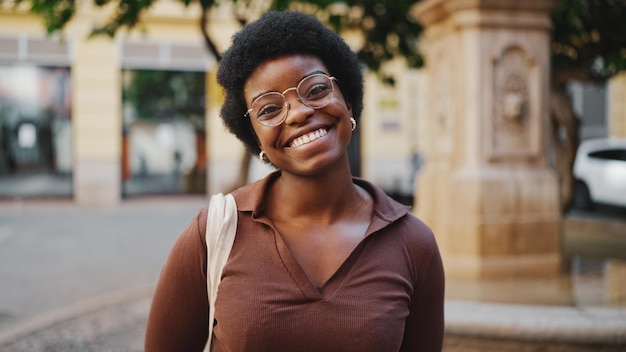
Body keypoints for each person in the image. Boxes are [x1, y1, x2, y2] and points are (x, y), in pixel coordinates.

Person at [145, 10, 445, 352]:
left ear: (347, 100)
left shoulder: (414, 245)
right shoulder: (215, 233)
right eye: (269, 109)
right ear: (256, 138)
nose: (299, 112)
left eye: (315, 89)